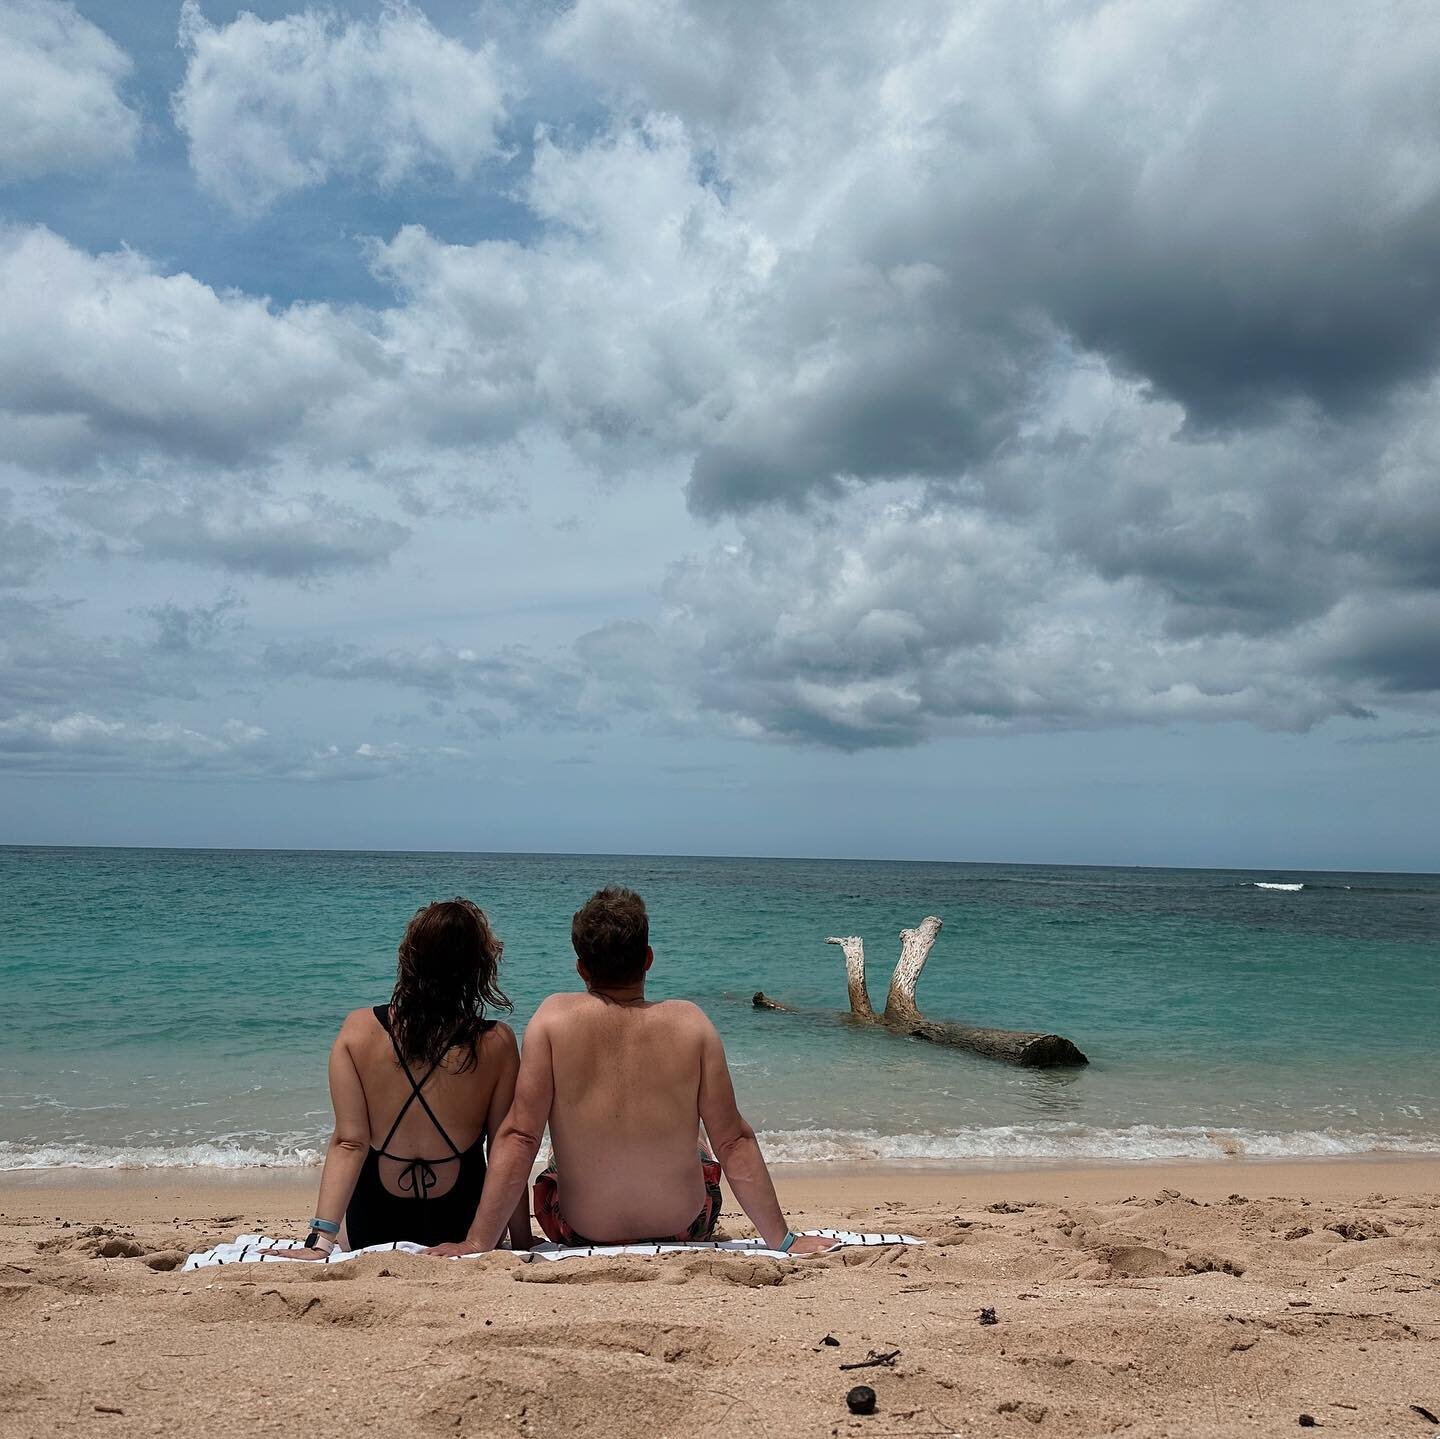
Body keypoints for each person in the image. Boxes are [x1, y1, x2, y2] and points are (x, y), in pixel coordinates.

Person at [426, 886, 835, 1257]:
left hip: (580, 1229)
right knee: (701, 1139)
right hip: (684, 1226)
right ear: (648, 959)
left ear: (582, 969)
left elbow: (520, 1136)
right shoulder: (692, 1024)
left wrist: (477, 1242)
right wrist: (783, 1240)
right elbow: (733, 1141)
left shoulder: (552, 1020)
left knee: (554, 1155)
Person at [273, 898, 533, 1258]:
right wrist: (521, 1242)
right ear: (479, 967)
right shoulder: (498, 1042)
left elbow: (349, 1143)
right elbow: (507, 1147)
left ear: (409, 958)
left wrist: (320, 1243)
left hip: (374, 1223)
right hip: (459, 1223)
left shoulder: (358, 1030)